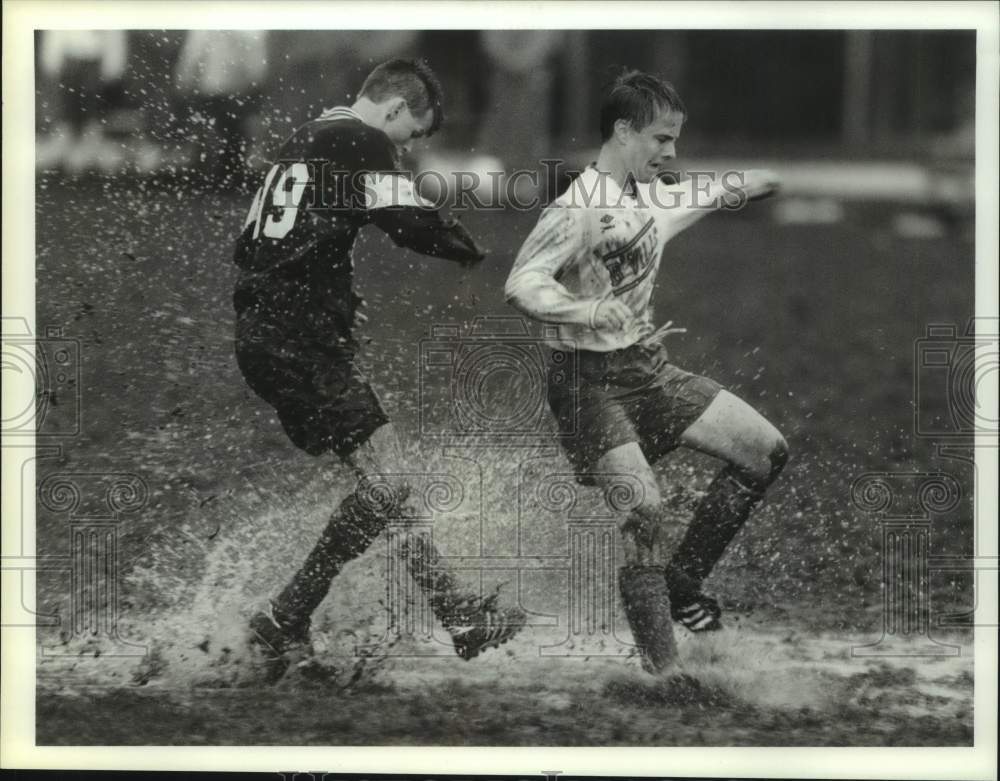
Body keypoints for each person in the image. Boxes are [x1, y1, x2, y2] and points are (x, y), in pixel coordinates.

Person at [234, 59, 526, 680]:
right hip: (299, 341)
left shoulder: (306, 138)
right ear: (393, 110)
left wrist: (333, 295)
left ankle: (457, 615)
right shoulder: (361, 139)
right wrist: (464, 246)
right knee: (388, 483)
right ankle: (286, 615)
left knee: (387, 483)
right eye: (411, 136)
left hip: (272, 332)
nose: (406, 151)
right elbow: (407, 217)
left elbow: (266, 243)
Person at [504, 70, 788, 675]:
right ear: (624, 131)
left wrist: (756, 183)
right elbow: (522, 282)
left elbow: (714, 191)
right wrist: (585, 308)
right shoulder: (576, 207)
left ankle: (683, 583)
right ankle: (665, 674)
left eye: (676, 140)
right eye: (661, 139)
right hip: (587, 384)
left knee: (766, 451)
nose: (671, 152)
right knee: (645, 513)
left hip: (649, 371)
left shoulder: (651, 195)